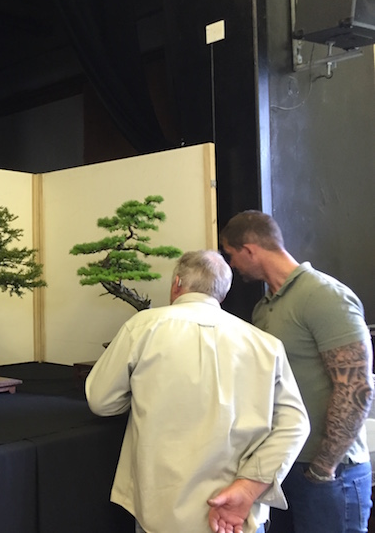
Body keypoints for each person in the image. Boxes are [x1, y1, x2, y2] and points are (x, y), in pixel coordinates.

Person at [85, 250, 310, 533]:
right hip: (236, 516)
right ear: (222, 293)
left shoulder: (142, 328)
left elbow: (100, 401)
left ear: (177, 283)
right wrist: (249, 486)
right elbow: (295, 424)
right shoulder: (266, 345)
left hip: (161, 510)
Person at [220, 210, 374, 532]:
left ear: (249, 250)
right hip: (285, 467)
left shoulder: (324, 295)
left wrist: (323, 467)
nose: (232, 265)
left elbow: (356, 387)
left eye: (231, 255)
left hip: (330, 475)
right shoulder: (264, 309)